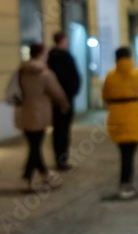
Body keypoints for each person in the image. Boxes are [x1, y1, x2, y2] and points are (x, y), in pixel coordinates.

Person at [17, 44, 70, 190]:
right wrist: (64, 104)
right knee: (35, 147)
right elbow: (57, 92)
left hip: (24, 112)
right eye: (45, 54)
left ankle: (44, 175)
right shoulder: (45, 73)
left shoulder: (22, 71)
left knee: (35, 145)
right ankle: (27, 177)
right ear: (41, 54)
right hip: (39, 114)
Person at [102, 47, 138, 199]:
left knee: (124, 152)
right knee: (130, 153)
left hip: (116, 116)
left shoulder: (110, 76)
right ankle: (126, 182)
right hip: (134, 115)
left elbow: (105, 96)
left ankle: (126, 181)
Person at [47, 31, 80, 171]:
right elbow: (73, 77)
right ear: (62, 41)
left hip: (53, 100)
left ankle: (59, 158)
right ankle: (62, 160)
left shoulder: (50, 57)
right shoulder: (66, 57)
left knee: (57, 130)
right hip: (65, 99)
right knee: (64, 130)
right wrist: (72, 93)